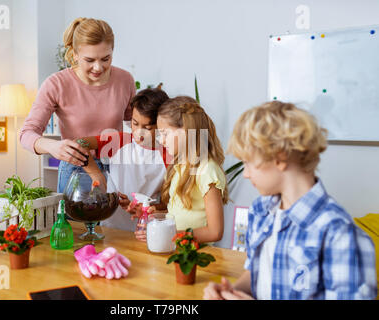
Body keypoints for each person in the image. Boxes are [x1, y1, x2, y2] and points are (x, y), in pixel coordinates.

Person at [203, 101, 377, 300]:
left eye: (248, 163)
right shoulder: (261, 211)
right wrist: (230, 293)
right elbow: (258, 274)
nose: (246, 174)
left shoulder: (340, 234)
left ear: (280, 157)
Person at [20, 17, 135, 193]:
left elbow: (136, 125)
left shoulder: (125, 80)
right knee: (76, 222)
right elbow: (26, 134)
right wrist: (53, 146)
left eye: (106, 58)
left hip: (118, 168)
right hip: (76, 172)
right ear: (74, 54)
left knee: (116, 221)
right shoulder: (56, 84)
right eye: (89, 60)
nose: (98, 67)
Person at [72, 88, 170, 233]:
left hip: (145, 230)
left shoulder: (168, 153)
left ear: (162, 125)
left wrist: (143, 207)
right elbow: (79, 144)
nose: (138, 133)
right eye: (135, 123)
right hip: (110, 226)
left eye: (147, 127)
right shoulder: (120, 141)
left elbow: (168, 206)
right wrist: (96, 175)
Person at [142, 96, 228, 243]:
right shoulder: (179, 167)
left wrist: (169, 235)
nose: (161, 141)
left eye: (165, 133)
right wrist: (158, 215)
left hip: (196, 257)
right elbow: (183, 214)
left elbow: (215, 232)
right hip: (178, 251)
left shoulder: (207, 170)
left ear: (186, 131)